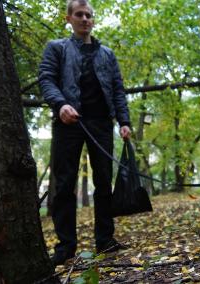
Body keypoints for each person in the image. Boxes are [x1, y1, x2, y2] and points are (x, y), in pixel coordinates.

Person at [39, 0, 131, 266]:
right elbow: (46, 78)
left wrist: (123, 121)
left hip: (101, 124)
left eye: (88, 15)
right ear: (68, 18)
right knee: (64, 186)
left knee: (104, 183)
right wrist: (61, 104)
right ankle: (66, 247)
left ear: (93, 19)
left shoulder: (107, 54)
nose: (84, 19)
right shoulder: (56, 48)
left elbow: (117, 89)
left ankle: (105, 240)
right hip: (69, 123)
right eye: (79, 14)